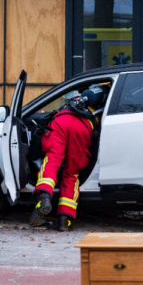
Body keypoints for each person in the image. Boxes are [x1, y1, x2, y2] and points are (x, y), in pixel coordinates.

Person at [28, 84, 109, 231]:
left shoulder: (79, 98)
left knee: (52, 161)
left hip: (61, 121)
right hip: (84, 128)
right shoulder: (103, 107)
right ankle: (64, 219)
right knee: (72, 173)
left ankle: (43, 199)